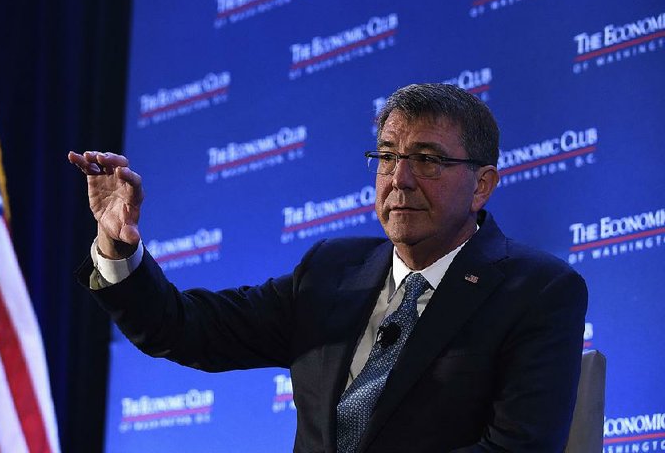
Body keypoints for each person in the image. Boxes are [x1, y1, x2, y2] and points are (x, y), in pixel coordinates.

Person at [68, 83, 587, 452]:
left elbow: (518, 447)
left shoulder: (537, 291)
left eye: (427, 160)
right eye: (387, 156)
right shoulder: (331, 271)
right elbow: (186, 329)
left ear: (481, 185)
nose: (399, 179)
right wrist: (118, 245)